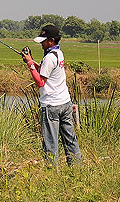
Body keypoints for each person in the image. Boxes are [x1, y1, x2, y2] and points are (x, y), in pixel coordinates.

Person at [21, 23, 82, 166]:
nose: (42, 43)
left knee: (50, 142)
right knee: (70, 139)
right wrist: (30, 61)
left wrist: (30, 64)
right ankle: (76, 168)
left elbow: (41, 82)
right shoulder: (58, 53)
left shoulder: (49, 57)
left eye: (44, 40)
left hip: (51, 106)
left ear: (51, 40)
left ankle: (51, 171)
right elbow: (45, 71)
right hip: (65, 103)